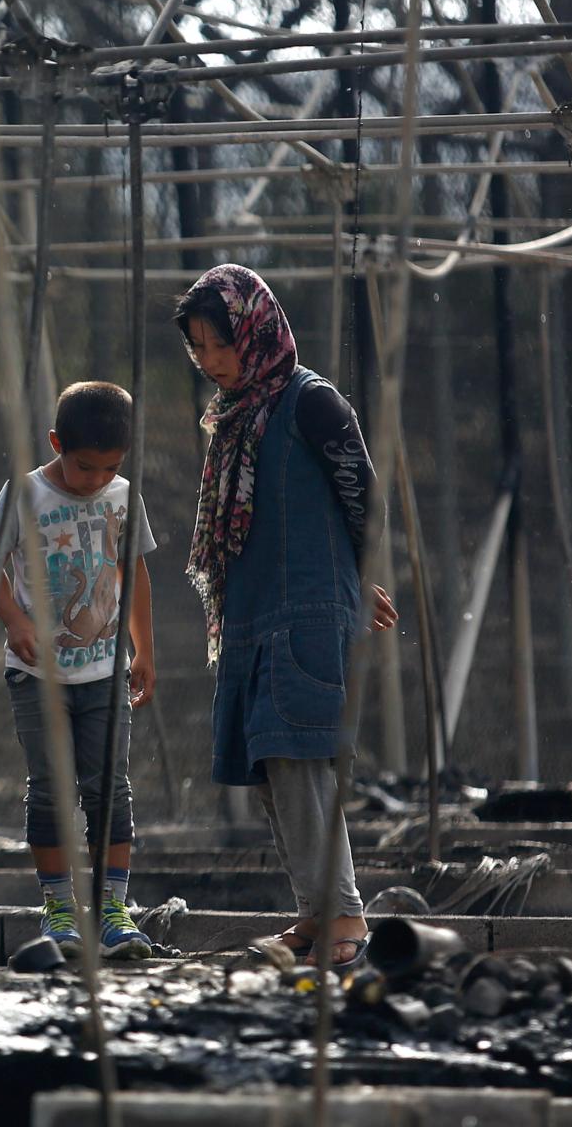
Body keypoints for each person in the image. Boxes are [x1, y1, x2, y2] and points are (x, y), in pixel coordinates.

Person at [174, 264, 399, 970]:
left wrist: (359, 583)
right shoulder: (237, 416)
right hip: (252, 613)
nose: (211, 363)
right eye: (199, 350)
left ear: (256, 331)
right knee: (272, 765)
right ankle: (314, 910)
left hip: (303, 609)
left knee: (300, 754)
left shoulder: (311, 403)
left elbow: (365, 499)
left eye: (220, 345)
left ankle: (345, 917)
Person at [0, 381, 158, 961]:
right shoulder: (26, 494)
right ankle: (59, 908)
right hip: (39, 674)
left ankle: (112, 909)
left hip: (105, 670)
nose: (97, 480)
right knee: (52, 788)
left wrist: (143, 650)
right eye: (85, 467)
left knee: (109, 788)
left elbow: (136, 575)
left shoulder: (124, 496)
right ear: (57, 444)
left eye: (110, 468)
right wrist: (15, 621)